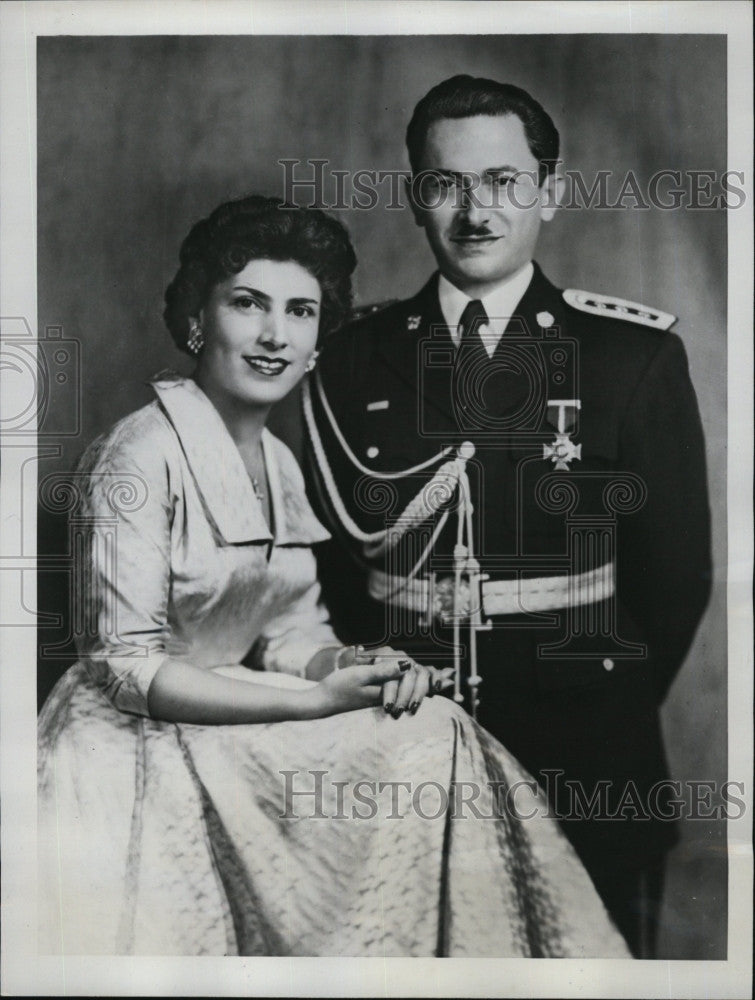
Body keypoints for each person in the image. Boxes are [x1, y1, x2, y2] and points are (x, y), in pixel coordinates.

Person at [37, 194, 629, 958]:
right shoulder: (137, 457)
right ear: (195, 320)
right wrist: (318, 700)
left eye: (300, 312)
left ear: (319, 338)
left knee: (428, 725)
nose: (275, 335)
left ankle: (449, 960)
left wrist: (356, 665)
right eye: (247, 304)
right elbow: (125, 668)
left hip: (223, 724)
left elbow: (290, 633)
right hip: (131, 746)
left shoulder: (278, 463)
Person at [304, 76, 712, 958]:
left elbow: (675, 577)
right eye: (447, 184)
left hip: (583, 746)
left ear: (550, 194)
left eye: (502, 181)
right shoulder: (350, 355)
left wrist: (600, 702)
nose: (475, 210)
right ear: (417, 198)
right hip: (401, 737)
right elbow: (329, 565)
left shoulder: (628, 356)